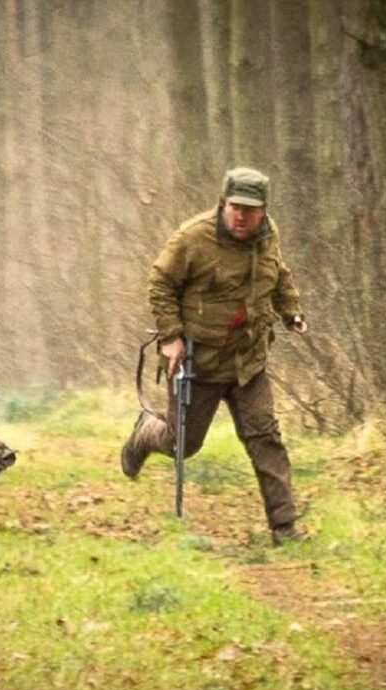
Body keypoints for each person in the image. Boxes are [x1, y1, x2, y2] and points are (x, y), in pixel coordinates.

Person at [120, 166, 308, 545]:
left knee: (264, 437)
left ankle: (285, 529)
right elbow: (160, 282)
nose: (241, 216)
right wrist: (171, 336)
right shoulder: (193, 239)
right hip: (197, 363)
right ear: (223, 204)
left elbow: (280, 274)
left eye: (250, 210)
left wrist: (291, 311)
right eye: (235, 207)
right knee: (183, 444)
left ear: (263, 211)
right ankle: (146, 433)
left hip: (247, 362)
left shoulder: (268, 238)